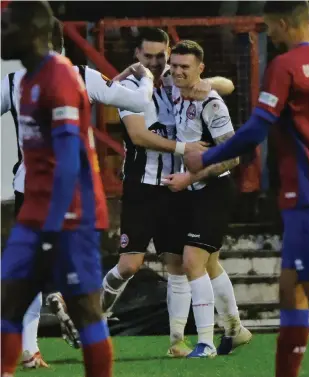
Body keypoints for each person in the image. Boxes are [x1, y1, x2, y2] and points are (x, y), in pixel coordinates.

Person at [185, 1, 309, 375]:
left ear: (282, 23)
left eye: (270, 27)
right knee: (290, 291)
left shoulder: (286, 65)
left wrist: (206, 158)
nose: (270, 34)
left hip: (306, 193)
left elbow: (257, 128)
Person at [1, 16, 154, 368]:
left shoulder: (66, 77)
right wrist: (143, 79)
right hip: (34, 200)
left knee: (83, 306)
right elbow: (137, 101)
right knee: (11, 293)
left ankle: (36, 341)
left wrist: (53, 222)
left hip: (69, 207)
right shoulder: (23, 80)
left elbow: (69, 159)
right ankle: (25, 352)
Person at [100, 27, 236, 357]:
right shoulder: (130, 88)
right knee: (130, 265)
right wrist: (183, 147)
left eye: (161, 55)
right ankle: (93, 315)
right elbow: (138, 136)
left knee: (180, 263)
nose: (157, 62)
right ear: (136, 55)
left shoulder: (175, 83)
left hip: (173, 187)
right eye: (148, 56)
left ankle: (180, 339)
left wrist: (210, 83)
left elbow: (226, 85)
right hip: (140, 188)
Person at [160, 40, 252, 358]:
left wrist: (191, 177)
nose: (178, 72)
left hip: (213, 189)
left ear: (200, 69)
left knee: (192, 261)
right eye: (174, 66)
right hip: (187, 192)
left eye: (186, 67)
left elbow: (235, 156)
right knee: (210, 263)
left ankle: (206, 343)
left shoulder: (211, 104)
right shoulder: (171, 85)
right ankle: (235, 329)